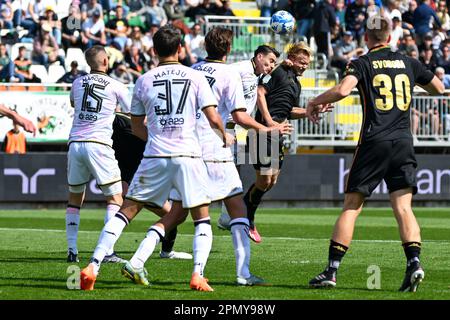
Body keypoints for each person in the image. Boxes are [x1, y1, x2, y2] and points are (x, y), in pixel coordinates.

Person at [122, 27, 293, 289]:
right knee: (237, 208)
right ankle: (242, 273)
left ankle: (137, 258)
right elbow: (238, 117)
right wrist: (268, 129)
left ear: (204, 47)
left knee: (177, 214)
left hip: (188, 146)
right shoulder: (231, 73)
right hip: (216, 145)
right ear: (228, 49)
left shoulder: (190, 70)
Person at [79, 25, 231, 291]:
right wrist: (225, 135)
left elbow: (136, 127)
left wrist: (157, 142)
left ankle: (93, 265)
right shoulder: (195, 77)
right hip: (188, 155)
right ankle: (197, 275)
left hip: (154, 154)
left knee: (126, 212)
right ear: (181, 48)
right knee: (201, 218)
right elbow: (212, 116)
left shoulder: (144, 79)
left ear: (153, 50)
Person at [306, 15, 445, 291]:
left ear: (366, 38)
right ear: (390, 36)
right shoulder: (409, 62)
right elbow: (438, 89)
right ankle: (414, 263)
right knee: (404, 207)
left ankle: (332, 271)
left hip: (374, 140)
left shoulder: (363, 63)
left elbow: (343, 90)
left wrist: (315, 100)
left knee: (352, 206)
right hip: (404, 140)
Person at [241, 42, 322, 243]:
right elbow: (260, 92)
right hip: (261, 130)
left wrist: (309, 112)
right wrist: (269, 122)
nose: (304, 66)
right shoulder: (279, 70)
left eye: (307, 63)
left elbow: (289, 111)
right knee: (264, 180)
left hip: (277, 134)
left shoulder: (297, 83)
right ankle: (246, 217)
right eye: (301, 62)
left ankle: (244, 207)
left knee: (272, 181)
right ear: (291, 58)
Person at [65, 45, 131, 264]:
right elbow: (133, 112)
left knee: (75, 198)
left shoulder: (77, 83)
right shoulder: (116, 85)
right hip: (99, 144)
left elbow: (74, 103)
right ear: (105, 62)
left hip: (75, 143)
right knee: (115, 198)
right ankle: (108, 251)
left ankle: (72, 251)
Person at [111, 111, 193, 260]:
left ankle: (166, 251)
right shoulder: (134, 132)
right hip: (137, 189)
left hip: (136, 186)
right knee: (173, 216)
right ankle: (106, 252)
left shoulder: (129, 133)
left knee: (172, 216)